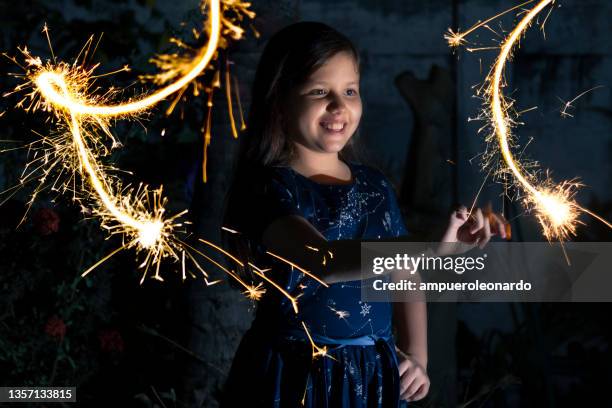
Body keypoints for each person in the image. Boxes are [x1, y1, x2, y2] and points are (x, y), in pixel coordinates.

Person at [221, 22, 506, 407]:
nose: (339, 106)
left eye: (350, 91)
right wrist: (425, 248)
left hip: (373, 373)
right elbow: (320, 261)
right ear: (280, 99)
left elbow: (404, 275)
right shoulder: (271, 188)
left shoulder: (374, 186)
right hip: (297, 376)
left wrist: (418, 356)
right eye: (320, 91)